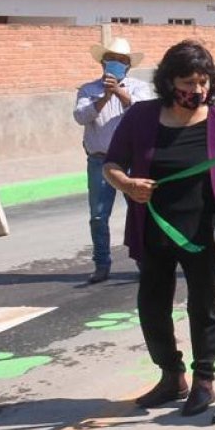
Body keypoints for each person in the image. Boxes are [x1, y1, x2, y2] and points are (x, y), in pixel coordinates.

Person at [104, 40, 215, 416]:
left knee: (203, 305)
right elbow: (110, 165)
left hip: (204, 231)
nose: (198, 90)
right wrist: (127, 185)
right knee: (152, 305)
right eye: (189, 82)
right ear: (168, 81)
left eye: (204, 82)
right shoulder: (141, 117)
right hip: (155, 227)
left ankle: (204, 380)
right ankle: (171, 375)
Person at [73, 37, 153, 284]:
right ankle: (101, 263)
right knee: (98, 215)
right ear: (103, 62)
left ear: (128, 66)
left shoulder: (139, 88)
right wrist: (104, 97)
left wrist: (119, 92)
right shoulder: (88, 90)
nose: (116, 64)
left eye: (122, 61)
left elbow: (145, 112)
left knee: (139, 210)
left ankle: (144, 259)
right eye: (112, 60)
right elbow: (80, 116)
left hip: (131, 161)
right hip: (100, 160)